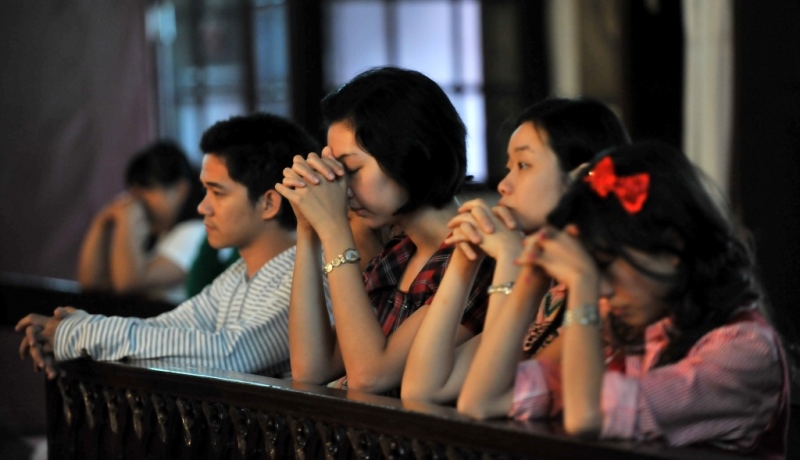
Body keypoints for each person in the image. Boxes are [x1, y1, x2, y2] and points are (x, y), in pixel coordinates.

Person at [458, 142, 789, 458]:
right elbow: (481, 400)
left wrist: (583, 284)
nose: (601, 289)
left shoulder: (744, 348)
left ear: (671, 248)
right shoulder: (618, 328)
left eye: (605, 264)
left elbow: (585, 417)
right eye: (591, 268)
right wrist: (531, 278)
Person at [16, 112, 321, 378]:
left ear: (268, 203)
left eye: (218, 193)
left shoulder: (305, 277)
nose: (203, 207)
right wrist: (75, 334)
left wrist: (80, 334)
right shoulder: (239, 275)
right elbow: (170, 328)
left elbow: (228, 354)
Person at [276, 66, 494, 394]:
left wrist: (336, 231)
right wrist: (309, 228)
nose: (342, 188)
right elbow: (310, 369)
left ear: (410, 153)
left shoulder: (476, 257)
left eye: (351, 169)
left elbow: (371, 377)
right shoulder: (398, 252)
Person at [401, 98, 630, 405]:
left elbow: (486, 399)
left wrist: (510, 262)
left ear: (583, 179)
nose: (504, 186)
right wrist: (463, 260)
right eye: (509, 168)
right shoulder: (547, 284)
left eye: (524, 165)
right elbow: (422, 390)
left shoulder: (608, 291)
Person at [76, 141, 206, 304]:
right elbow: (91, 285)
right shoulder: (156, 234)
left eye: (148, 190)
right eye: (134, 192)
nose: (137, 201)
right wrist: (101, 221)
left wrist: (126, 219)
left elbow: (129, 284)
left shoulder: (195, 232)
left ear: (180, 189)